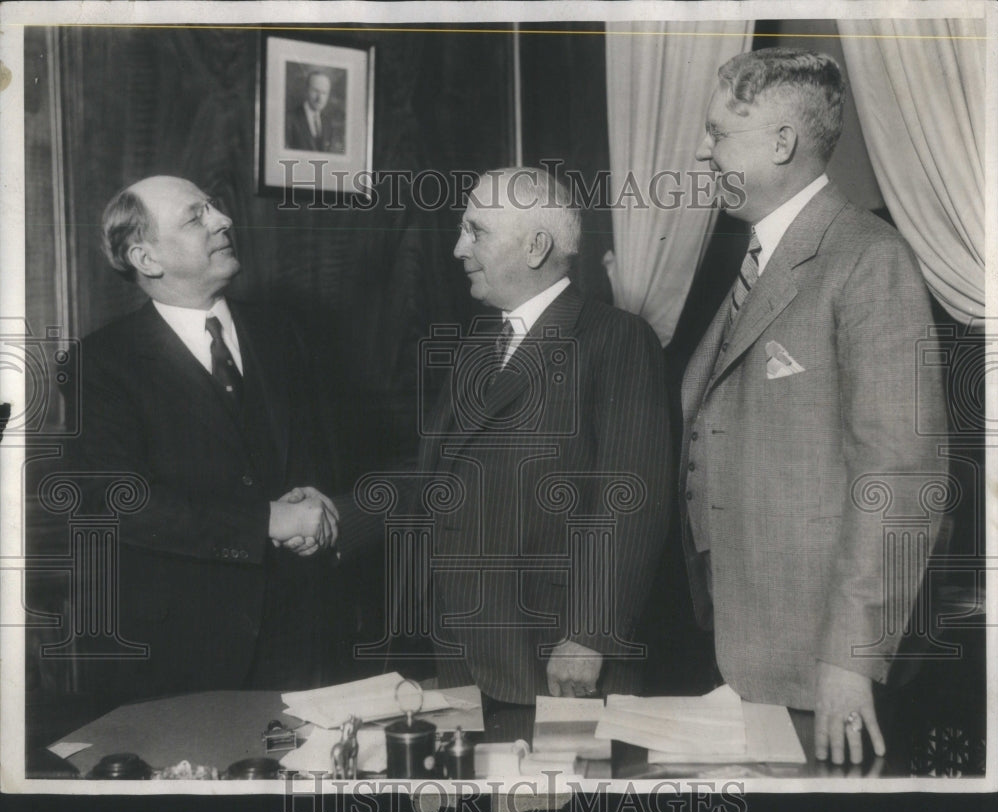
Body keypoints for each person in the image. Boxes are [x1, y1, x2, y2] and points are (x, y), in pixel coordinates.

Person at [679, 48, 947, 764]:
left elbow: (899, 476)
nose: (701, 151)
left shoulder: (866, 258)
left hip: (820, 672)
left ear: (781, 144)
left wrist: (852, 659)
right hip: (743, 651)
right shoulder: (741, 261)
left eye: (717, 133)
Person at [397, 167, 672, 705]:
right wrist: (332, 518)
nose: (457, 249)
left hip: (555, 661)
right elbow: (430, 482)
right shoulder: (477, 349)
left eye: (475, 231)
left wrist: (591, 635)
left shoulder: (617, 338)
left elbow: (631, 499)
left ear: (535, 246)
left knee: (561, 794)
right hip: (462, 656)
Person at [75, 175, 346, 700]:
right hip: (184, 653)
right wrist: (266, 520)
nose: (223, 220)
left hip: (301, 637)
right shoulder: (100, 364)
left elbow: (322, 456)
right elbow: (117, 502)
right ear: (146, 259)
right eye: (195, 216)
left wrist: (315, 504)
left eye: (214, 208)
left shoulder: (284, 332)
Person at [285, 70, 340, 153]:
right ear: (306, 90)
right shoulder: (290, 119)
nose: (320, 98)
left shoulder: (327, 123)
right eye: (315, 91)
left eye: (324, 93)